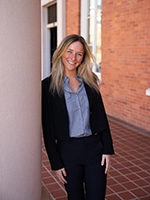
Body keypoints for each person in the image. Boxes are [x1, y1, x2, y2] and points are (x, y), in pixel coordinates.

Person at [42, 34, 114, 200]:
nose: (73, 58)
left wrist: (107, 149)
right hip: (68, 151)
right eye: (69, 51)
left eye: (79, 54)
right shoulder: (47, 86)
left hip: (94, 149)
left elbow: (101, 117)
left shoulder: (90, 82)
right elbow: (47, 127)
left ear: (83, 57)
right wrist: (56, 162)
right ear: (61, 53)